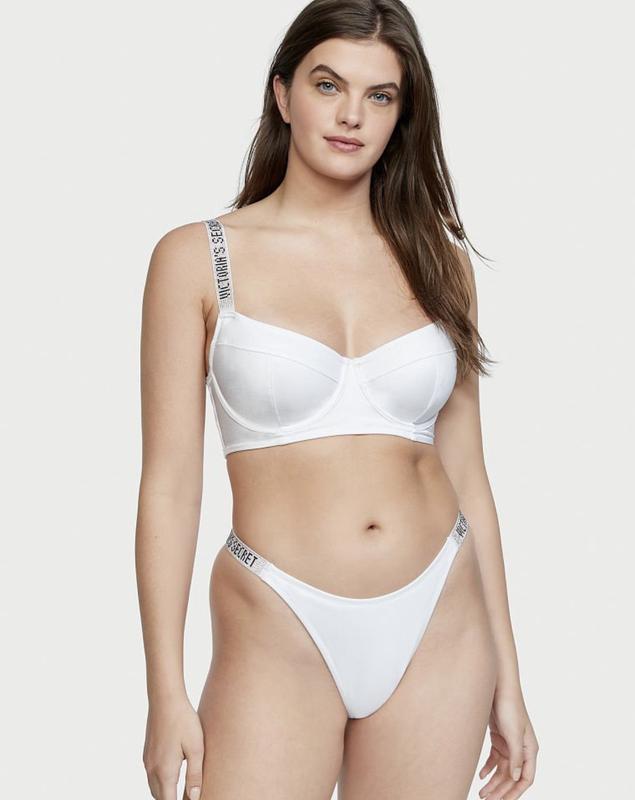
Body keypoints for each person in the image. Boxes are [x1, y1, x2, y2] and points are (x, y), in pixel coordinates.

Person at [135, 1, 539, 798]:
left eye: (379, 95)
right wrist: (164, 690)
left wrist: (510, 677)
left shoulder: (439, 263)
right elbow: (170, 488)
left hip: (440, 613)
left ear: (401, 114)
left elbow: (469, 476)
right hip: (275, 614)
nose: (351, 114)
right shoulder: (197, 258)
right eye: (328, 85)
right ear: (282, 94)